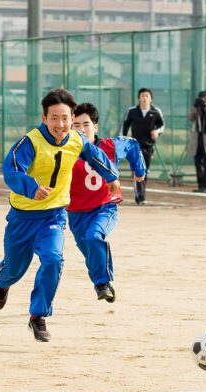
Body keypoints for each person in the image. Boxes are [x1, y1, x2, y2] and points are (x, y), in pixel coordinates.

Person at [0, 89, 120, 343]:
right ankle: (2, 283)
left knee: (53, 259)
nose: (60, 125)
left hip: (54, 216)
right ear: (44, 118)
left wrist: (111, 176)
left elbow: (97, 155)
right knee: (14, 269)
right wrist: (32, 188)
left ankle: (37, 316)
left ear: (72, 118)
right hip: (22, 218)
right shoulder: (30, 142)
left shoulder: (77, 140)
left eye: (65, 118)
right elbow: (12, 171)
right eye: (54, 118)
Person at [69, 103, 146, 302]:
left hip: (104, 207)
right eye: (75, 125)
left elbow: (132, 144)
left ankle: (102, 284)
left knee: (95, 236)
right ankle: (104, 282)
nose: (81, 129)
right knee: (89, 250)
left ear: (95, 127)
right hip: (75, 212)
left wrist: (139, 171)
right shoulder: (65, 149)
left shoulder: (110, 147)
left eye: (86, 124)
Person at [121, 87, 164, 204]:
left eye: (147, 96)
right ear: (139, 98)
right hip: (135, 146)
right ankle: (140, 197)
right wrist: (123, 140)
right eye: (142, 96)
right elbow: (125, 126)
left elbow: (162, 126)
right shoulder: (132, 111)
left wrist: (157, 132)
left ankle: (140, 194)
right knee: (138, 170)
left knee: (145, 171)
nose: (144, 98)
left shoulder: (155, 112)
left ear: (150, 99)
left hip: (149, 146)